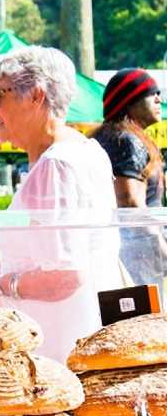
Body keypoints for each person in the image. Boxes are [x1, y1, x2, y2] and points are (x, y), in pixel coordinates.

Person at [0, 46, 122, 363]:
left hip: (57, 347)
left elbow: (65, 277)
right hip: (80, 338)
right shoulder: (85, 150)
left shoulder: (56, 166)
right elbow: (61, 254)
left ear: (35, 96)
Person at [90, 68, 166, 284]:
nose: (159, 99)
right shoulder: (127, 140)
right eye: (152, 93)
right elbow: (129, 203)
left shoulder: (108, 136)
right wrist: (162, 250)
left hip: (119, 256)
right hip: (137, 259)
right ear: (129, 101)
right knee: (144, 317)